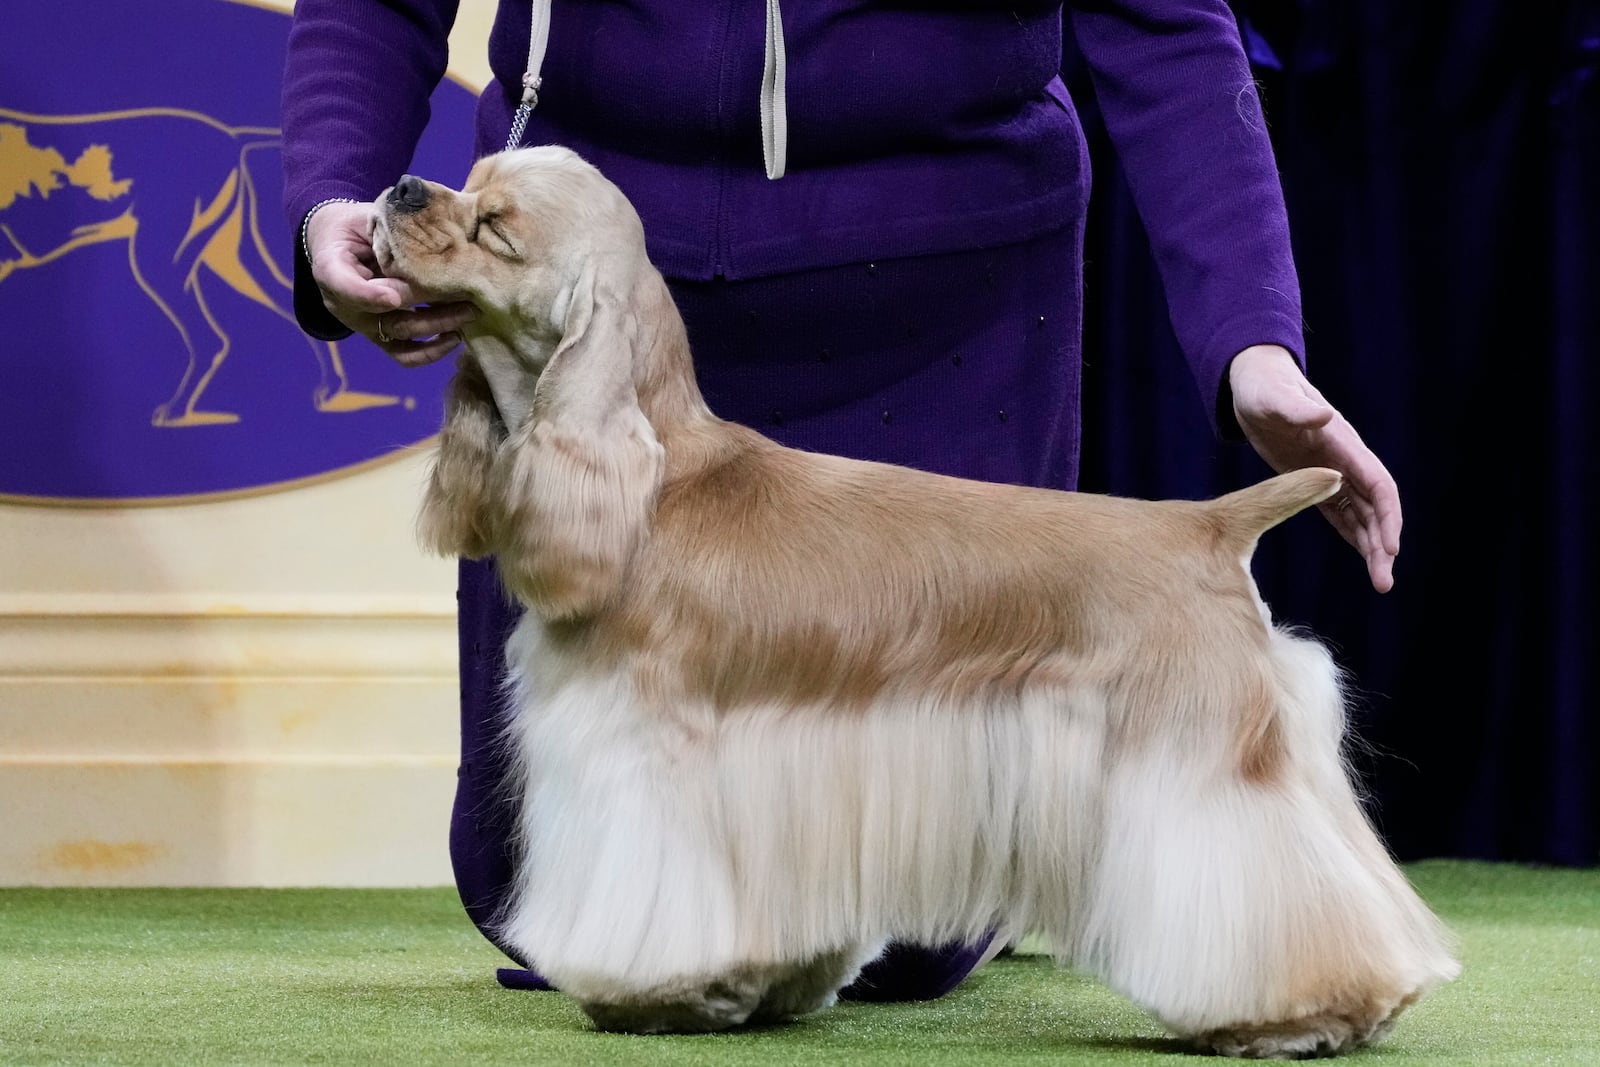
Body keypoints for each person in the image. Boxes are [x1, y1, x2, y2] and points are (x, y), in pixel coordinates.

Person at [282, 0, 1402, 1002]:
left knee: (914, 949)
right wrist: (334, 185)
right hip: (589, 268)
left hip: (934, 287)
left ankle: (1293, 958)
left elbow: (1163, 25)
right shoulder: (553, 284)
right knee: (549, 901)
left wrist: (1252, 342)